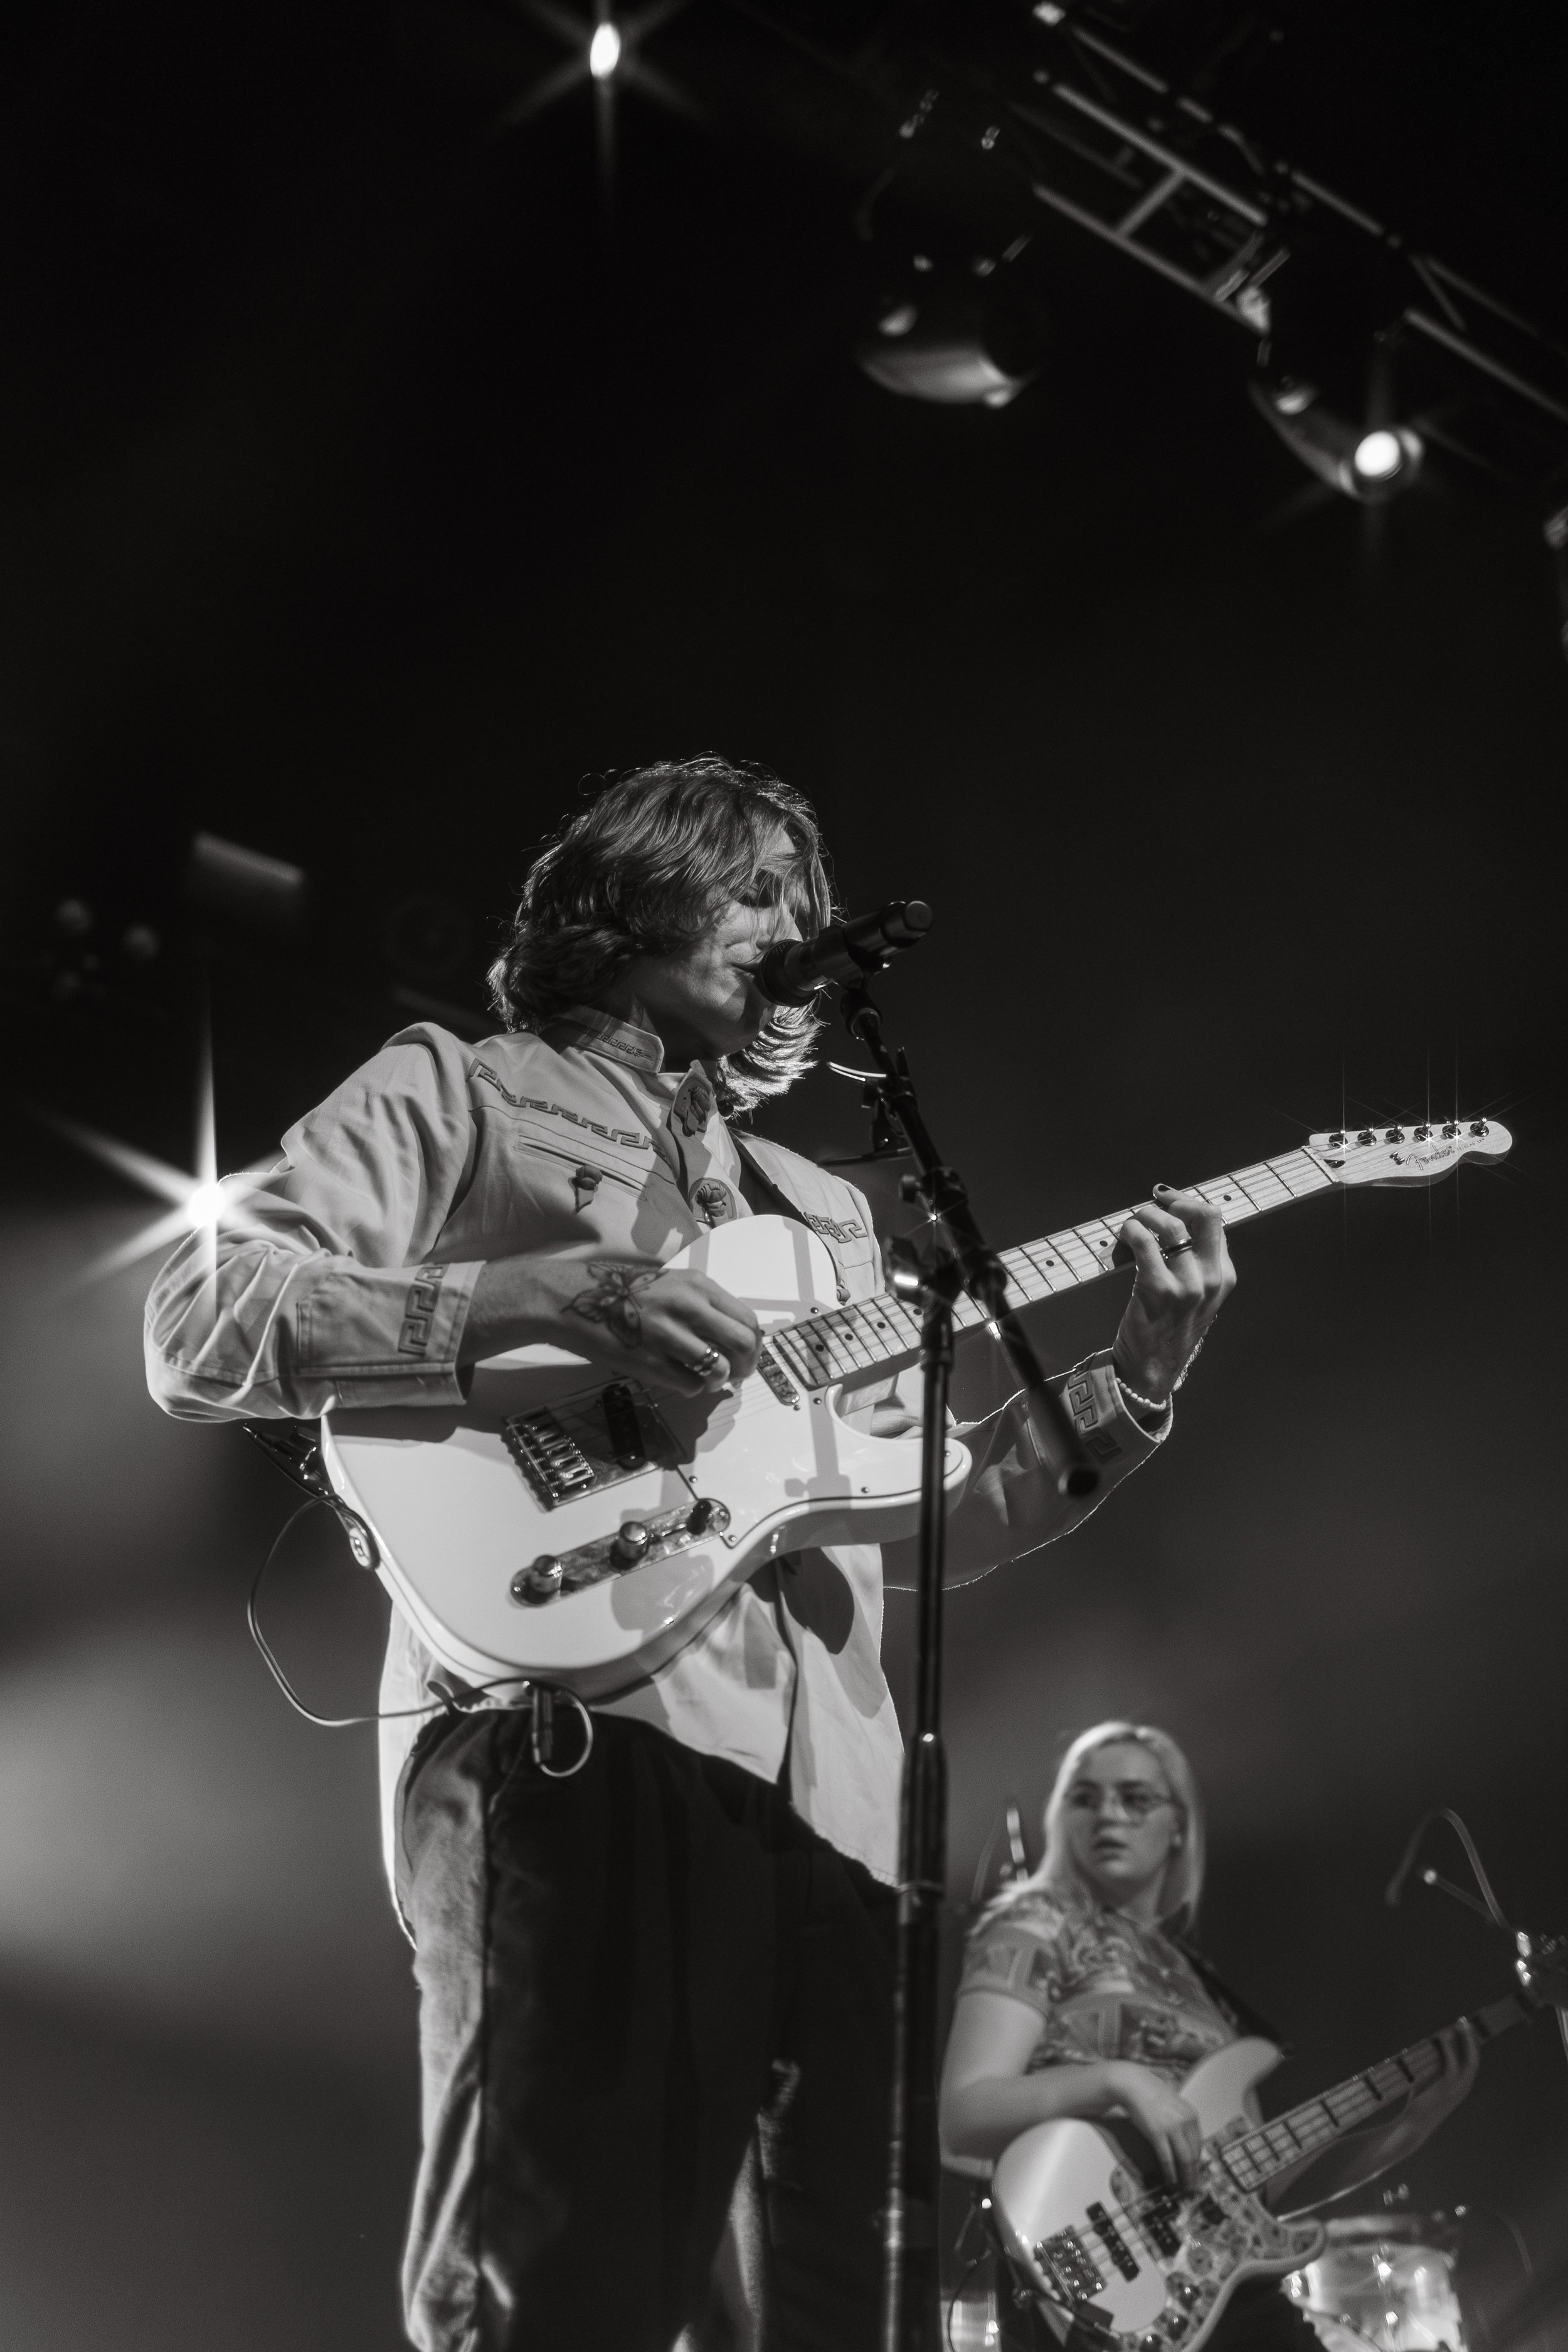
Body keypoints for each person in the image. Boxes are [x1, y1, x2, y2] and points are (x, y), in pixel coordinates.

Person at [145, 758, 1235, 2352]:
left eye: (806, 894)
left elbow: (937, 1514)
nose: (793, 921)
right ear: (628, 889)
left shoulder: (823, 1208)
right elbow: (199, 1318)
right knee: (562, 2284)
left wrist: (1138, 1373)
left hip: (841, 1832)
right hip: (579, 1748)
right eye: (752, 882)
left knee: (833, 2317)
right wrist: (545, 1299)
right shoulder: (464, 1087)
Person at [940, 1722, 1478, 2351]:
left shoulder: (1193, 1979)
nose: (1107, 1813)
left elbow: (1254, 2192)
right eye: (1084, 1797)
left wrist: (1408, 2129)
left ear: (1179, 1826)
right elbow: (962, 2118)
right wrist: (1117, 2079)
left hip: (1221, 2293)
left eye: (1135, 1798)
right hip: (1095, 2285)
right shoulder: (1035, 1923)